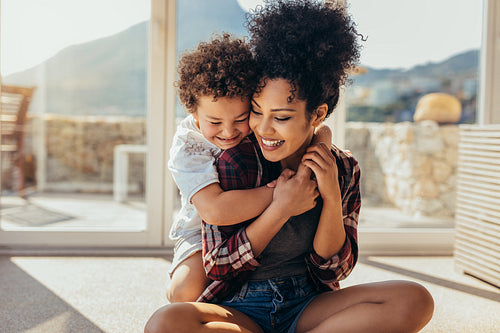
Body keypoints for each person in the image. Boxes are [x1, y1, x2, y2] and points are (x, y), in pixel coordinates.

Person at [146, 1, 434, 332]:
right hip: (240, 306)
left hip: (309, 304)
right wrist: (282, 207)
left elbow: (334, 270)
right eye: (256, 111)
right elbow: (219, 266)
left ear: (318, 114)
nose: (263, 129)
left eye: (281, 117)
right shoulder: (235, 158)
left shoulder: (344, 168)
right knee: (166, 323)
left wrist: (330, 194)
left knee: (414, 298)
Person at [167, 32, 332, 303]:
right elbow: (215, 210)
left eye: (241, 118)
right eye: (215, 122)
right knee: (184, 293)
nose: (229, 132)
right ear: (194, 115)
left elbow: (318, 129)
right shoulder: (188, 148)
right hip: (200, 229)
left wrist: (323, 141)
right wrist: (282, 196)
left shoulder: (260, 128)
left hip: (252, 224)